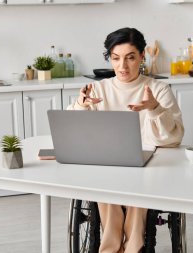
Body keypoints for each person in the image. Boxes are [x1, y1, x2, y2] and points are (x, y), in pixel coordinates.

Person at [67, 27, 184, 253]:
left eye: (130, 58)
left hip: (148, 166)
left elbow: (173, 138)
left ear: (142, 56)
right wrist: (81, 105)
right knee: (105, 184)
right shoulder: (98, 89)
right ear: (109, 58)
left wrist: (154, 108)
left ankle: (133, 247)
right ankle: (110, 248)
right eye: (116, 58)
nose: (123, 66)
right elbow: (73, 132)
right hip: (109, 165)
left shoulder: (158, 89)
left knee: (138, 188)